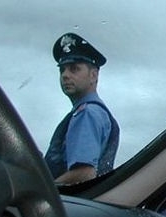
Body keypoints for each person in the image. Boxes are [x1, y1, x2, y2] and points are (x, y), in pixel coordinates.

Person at [44, 32, 120, 184]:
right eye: (62, 70)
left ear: (93, 75)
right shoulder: (93, 112)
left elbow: (84, 174)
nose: (65, 75)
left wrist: (43, 192)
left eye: (74, 69)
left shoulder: (87, 113)